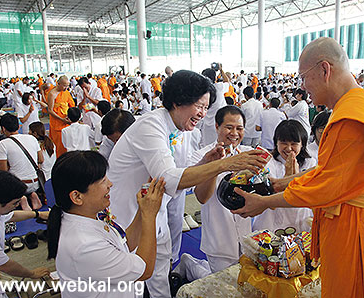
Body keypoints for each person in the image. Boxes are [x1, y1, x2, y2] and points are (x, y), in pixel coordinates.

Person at [232, 37, 364, 297]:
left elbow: (327, 188)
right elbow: (332, 172)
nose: (302, 86)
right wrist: (281, 183)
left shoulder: (353, 119)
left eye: (304, 77)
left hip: (363, 233)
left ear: (325, 70)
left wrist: (265, 202)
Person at [107, 70, 266, 298]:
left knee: (159, 273)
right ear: (178, 101)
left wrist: (205, 163)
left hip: (155, 213)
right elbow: (168, 178)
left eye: (205, 108)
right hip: (128, 216)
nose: (202, 113)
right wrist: (224, 165)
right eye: (199, 106)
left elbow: (180, 177)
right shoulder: (150, 126)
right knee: (127, 280)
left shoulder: (180, 131)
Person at [47, 151, 166, 298]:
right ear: (77, 197)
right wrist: (149, 215)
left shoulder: (87, 215)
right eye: (103, 181)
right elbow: (145, 270)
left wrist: (142, 211)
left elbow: (123, 244)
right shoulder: (85, 245)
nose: (110, 184)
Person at [191, 105, 253, 273]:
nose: (234, 133)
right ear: (217, 126)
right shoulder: (203, 156)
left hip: (246, 236)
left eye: (239, 128)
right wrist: (216, 165)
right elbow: (202, 197)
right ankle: (191, 267)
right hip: (219, 237)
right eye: (229, 127)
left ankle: (193, 266)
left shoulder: (248, 154)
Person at [253, 119, 315, 233]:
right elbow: (268, 191)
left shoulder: (310, 163)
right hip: (271, 221)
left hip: (300, 220)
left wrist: (296, 177)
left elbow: (311, 194)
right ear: (276, 143)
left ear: (302, 144)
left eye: (294, 144)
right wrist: (288, 177)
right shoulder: (268, 162)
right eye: (284, 143)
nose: (289, 148)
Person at [0, 171, 50, 296]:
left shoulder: (0, 212)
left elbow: (12, 215)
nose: (16, 206)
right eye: (15, 203)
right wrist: (32, 274)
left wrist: (38, 214)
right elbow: (5, 265)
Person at [0, 113, 43, 210]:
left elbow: (3, 171)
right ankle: (32, 194)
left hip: (18, 185)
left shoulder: (3, 144)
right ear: (19, 126)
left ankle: (21, 198)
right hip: (35, 182)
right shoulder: (32, 138)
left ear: (3, 128)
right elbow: (41, 159)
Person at [201, 64, 230, 146]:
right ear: (215, 78)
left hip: (206, 126)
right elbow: (227, 81)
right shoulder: (219, 87)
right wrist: (221, 69)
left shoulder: (200, 91)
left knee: (207, 148)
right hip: (220, 124)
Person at [47, 75, 75, 157]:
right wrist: (61, 119)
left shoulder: (66, 92)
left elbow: (71, 105)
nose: (66, 87)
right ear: (58, 83)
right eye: (64, 85)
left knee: (68, 144)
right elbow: (50, 110)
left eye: (67, 85)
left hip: (67, 121)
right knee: (59, 146)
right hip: (57, 123)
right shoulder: (52, 94)